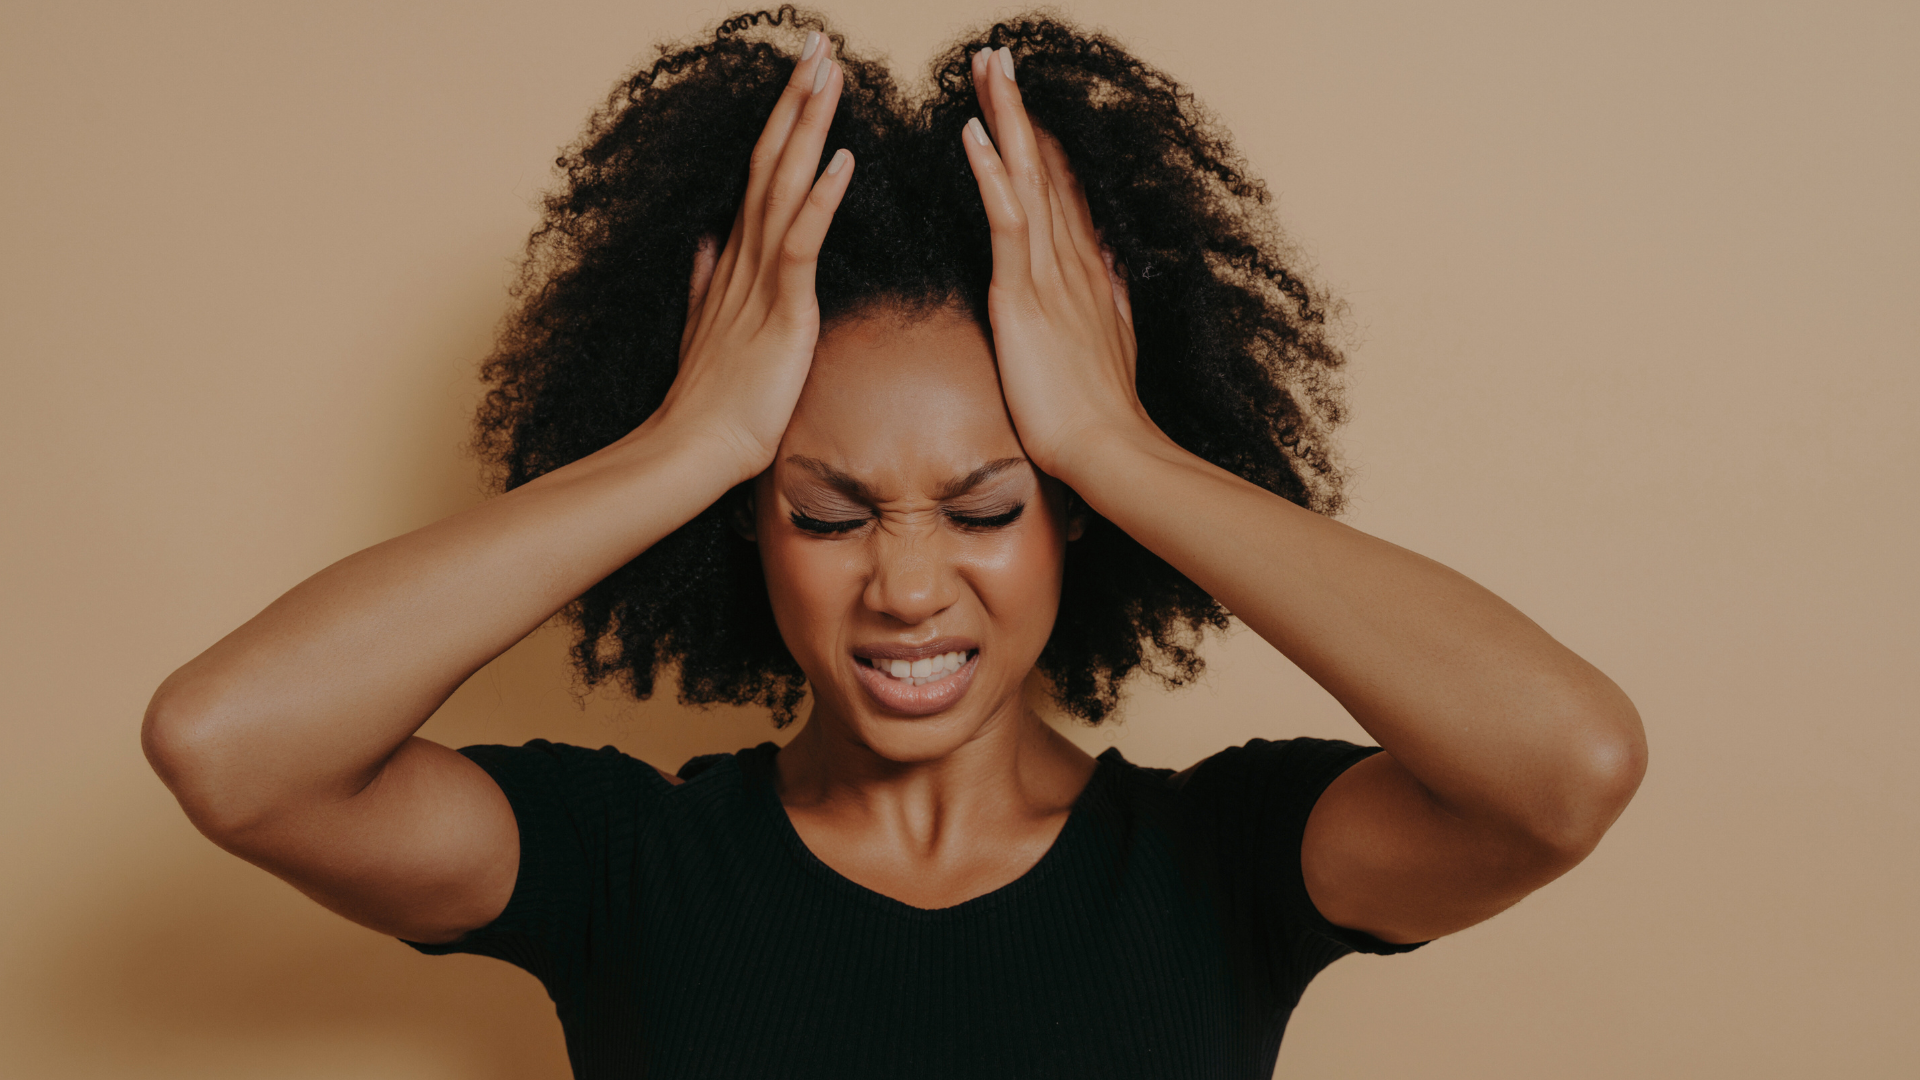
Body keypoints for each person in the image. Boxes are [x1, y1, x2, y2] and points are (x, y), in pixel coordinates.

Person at [142, 11, 1646, 1079]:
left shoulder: (1224, 867)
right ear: (750, 527)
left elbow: (1566, 766)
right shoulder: (625, 870)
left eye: (990, 506)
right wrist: (689, 442)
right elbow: (228, 747)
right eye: (825, 510)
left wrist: (1120, 446)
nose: (910, 585)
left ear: (1072, 521)